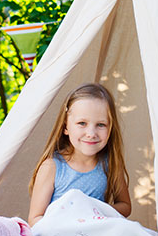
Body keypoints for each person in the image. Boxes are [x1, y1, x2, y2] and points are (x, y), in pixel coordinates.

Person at [28, 83, 131, 226]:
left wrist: (95, 212)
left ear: (111, 128)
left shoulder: (109, 164)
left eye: (101, 125)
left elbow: (125, 206)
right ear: (65, 127)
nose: (91, 134)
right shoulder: (52, 167)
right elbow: (35, 219)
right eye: (82, 123)